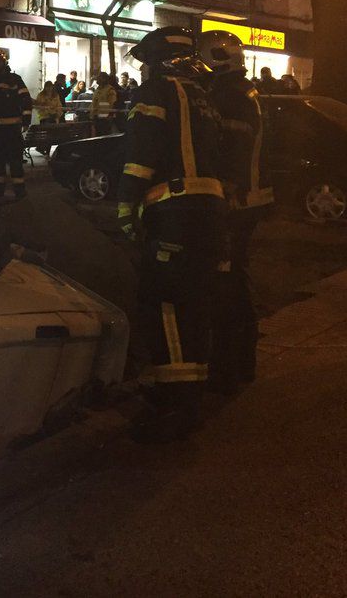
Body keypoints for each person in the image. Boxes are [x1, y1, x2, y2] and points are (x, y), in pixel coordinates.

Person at [117, 26, 226, 443]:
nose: (143, 72)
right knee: (194, 302)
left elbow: (140, 157)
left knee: (162, 303)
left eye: (146, 63)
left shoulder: (156, 93)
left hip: (174, 212)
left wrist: (126, 207)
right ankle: (189, 394)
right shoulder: (203, 96)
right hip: (209, 212)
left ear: (158, 61)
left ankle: (175, 406)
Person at [198, 29, 274, 394]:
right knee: (235, 282)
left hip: (236, 205)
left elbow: (231, 152)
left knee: (226, 285)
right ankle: (242, 363)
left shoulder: (229, 97)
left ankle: (227, 369)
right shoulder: (244, 91)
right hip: (249, 202)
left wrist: (223, 194)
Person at [0, 48, 33, 199]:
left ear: (4, 62)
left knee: (15, 160)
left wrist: (26, 121)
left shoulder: (15, 80)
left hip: (12, 129)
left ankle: (20, 189)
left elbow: (26, 100)